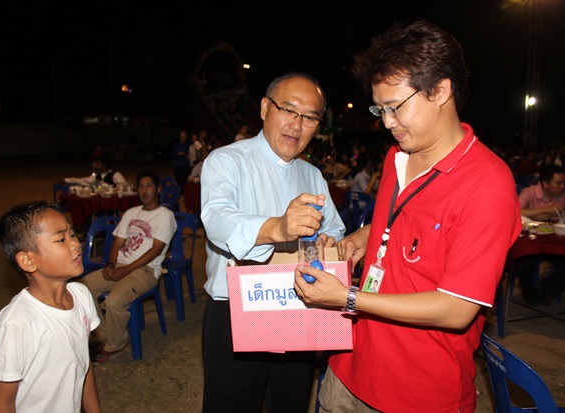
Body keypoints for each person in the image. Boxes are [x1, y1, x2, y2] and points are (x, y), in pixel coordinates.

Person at [294, 20, 521, 413]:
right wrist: (359, 241)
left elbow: (456, 309)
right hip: (350, 368)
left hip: (418, 391)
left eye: (395, 108)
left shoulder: (488, 185)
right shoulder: (396, 158)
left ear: (440, 91)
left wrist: (347, 297)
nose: (386, 123)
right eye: (379, 109)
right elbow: (395, 225)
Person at [200, 71, 346, 413]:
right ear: (265, 108)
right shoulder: (227, 160)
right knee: (231, 404)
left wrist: (328, 240)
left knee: (291, 402)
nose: (297, 125)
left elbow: (336, 230)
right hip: (236, 307)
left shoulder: (311, 174)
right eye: (289, 110)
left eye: (309, 117)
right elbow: (217, 220)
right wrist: (277, 228)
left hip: (297, 304)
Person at [0, 201, 101, 413]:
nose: (76, 244)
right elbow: (2, 404)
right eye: (61, 239)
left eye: (72, 234)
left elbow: (83, 366)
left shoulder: (81, 296)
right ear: (28, 261)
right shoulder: (17, 322)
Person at [80, 170, 177, 363]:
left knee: (114, 302)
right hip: (121, 265)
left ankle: (114, 344)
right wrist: (110, 264)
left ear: (158, 189)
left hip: (145, 270)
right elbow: (117, 243)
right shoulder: (131, 213)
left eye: (149, 185)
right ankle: (103, 334)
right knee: (83, 287)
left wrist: (126, 269)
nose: (144, 190)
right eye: (140, 186)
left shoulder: (165, 215)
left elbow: (156, 250)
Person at [515, 164, 565, 305]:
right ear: (545, 183)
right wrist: (548, 210)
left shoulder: (562, 196)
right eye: (558, 183)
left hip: (553, 241)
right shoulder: (530, 192)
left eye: (564, 183)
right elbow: (516, 211)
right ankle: (529, 293)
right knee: (524, 264)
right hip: (530, 241)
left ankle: (544, 290)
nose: (562, 187)